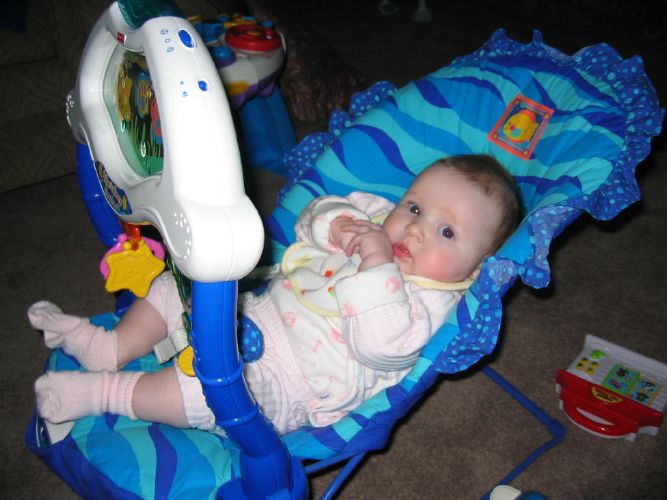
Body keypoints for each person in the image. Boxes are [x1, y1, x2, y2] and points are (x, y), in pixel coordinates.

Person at [28, 154, 522, 434]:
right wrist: (339, 225)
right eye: (414, 208)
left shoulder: (435, 303)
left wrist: (377, 262)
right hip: (254, 310)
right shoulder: (377, 219)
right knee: (180, 283)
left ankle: (106, 392)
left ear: (476, 268)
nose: (415, 229)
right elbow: (315, 217)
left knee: (211, 393)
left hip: (291, 385)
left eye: (447, 232)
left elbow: (380, 345)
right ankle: (112, 346)